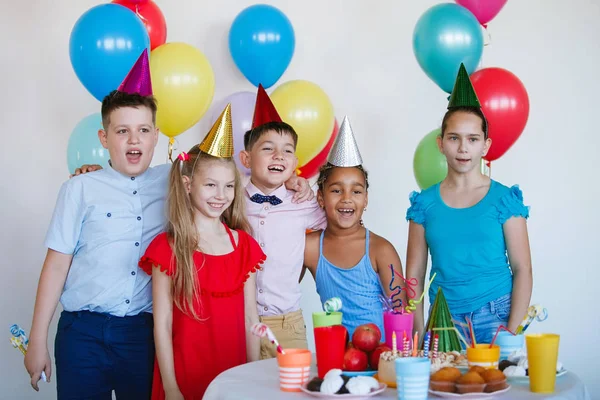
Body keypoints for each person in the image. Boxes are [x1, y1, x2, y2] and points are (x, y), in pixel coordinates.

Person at [25, 50, 163, 399]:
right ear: (105, 139)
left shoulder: (175, 183)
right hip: (81, 334)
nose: (134, 140)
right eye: (122, 131)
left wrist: (296, 183)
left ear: (155, 136)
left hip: (142, 334)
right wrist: (37, 340)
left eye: (143, 130)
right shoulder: (79, 188)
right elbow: (56, 265)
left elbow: (228, 183)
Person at [139, 105, 264, 399]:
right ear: (188, 185)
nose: (221, 195)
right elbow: (163, 324)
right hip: (184, 377)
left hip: (234, 376)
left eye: (229, 186)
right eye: (210, 185)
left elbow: (250, 318)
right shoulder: (166, 249)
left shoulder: (243, 245)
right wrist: (171, 388)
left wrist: (254, 375)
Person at [405, 64, 533, 343]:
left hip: (496, 314)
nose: (463, 148)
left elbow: (522, 268)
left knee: (496, 386)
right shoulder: (423, 204)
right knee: (442, 386)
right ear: (441, 144)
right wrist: (417, 334)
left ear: (485, 145)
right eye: (454, 138)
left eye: (472, 139)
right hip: (444, 319)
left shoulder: (504, 200)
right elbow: (414, 274)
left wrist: (510, 332)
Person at [238, 85, 327, 359]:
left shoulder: (303, 202)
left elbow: (338, 226)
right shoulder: (230, 198)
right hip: (238, 321)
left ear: (295, 163)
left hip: (288, 323)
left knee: (292, 390)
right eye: (268, 148)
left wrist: (309, 189)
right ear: (246, 159)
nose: (279, 156)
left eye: (287, 151)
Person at [302, 117, 407, 339]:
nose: (347, 199)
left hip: (380, 355)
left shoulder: (380, 249)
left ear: (366, 200)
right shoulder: (310, 248)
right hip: (336, 358)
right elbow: (282, 290)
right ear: (320, 197)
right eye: (336, 190)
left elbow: (400, 314)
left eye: (356, 192)